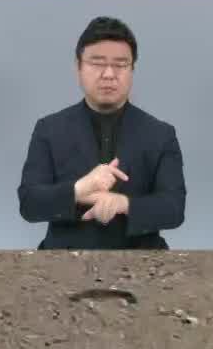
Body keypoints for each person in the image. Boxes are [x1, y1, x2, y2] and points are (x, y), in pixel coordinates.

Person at [16, 16, 186, 250]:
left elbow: (174, 209)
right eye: (97, 63)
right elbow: (29, 204)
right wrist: (78, 190)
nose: (109, 74)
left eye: (120, 64)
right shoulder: (48, 129)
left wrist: (123, 203)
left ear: (132, 69)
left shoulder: (161, 134)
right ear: (78, 67)